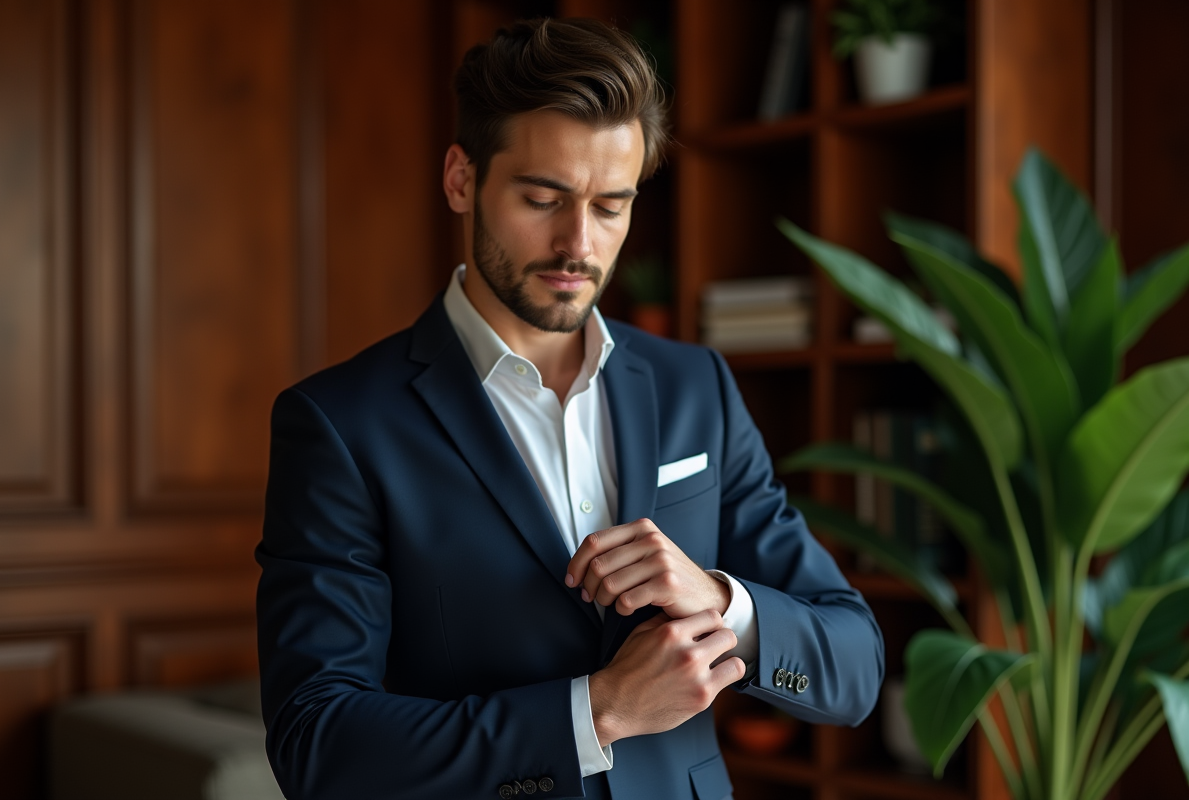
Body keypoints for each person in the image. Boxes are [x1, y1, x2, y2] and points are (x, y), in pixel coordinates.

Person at [256, 17, 883, 800]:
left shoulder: (698, 388)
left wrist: (722, 602)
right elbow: (318, 743)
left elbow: (854, 665)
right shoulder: (340, 424)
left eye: (611, 205)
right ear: (461, 179)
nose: (578, 244)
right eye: (543, 198)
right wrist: (598, 711)